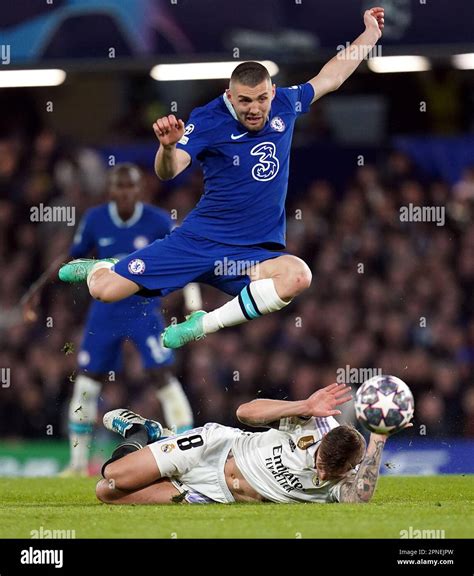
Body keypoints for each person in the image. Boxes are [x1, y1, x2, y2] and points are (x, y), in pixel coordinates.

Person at [59, 8, 385, 351]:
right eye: (245, 101)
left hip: (251, 255)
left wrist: (370, 36)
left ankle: (202, 324)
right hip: (197, 243)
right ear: (231, 98)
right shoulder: (209, 119)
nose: (255, 109)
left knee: (298, 275)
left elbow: (332, 76)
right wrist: (168, 148)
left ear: (272, 92)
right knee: (103, 291)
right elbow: (168, 170)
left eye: (261, 98)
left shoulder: (286, 104)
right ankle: (107, 265)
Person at [24, 163, 196, 475]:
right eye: (120, 186)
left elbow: (185, 257)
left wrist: (192, 303)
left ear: (139, 189)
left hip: (144, 308)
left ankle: (187, 454)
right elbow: (71, 257)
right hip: (104, 311)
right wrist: (39, 288)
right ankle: (77, 465)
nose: (126, 193)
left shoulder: (158, 220)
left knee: (163, 377)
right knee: (88, 381)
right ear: (111, 190)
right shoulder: (96, 220)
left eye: (131, 186)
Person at [95, 380, 408, 505]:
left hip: (209, 493)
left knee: (106, 495)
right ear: (322, 444)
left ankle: (163, 446)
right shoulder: (311, 423)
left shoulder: (347, 480)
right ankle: (142, 431)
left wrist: (378, 438)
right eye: (320, 465)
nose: (322, 477)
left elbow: (360, 498)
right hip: (213, 448)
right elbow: (245, 412)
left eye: (330, 475)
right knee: (113, 476)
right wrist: (301, 406)